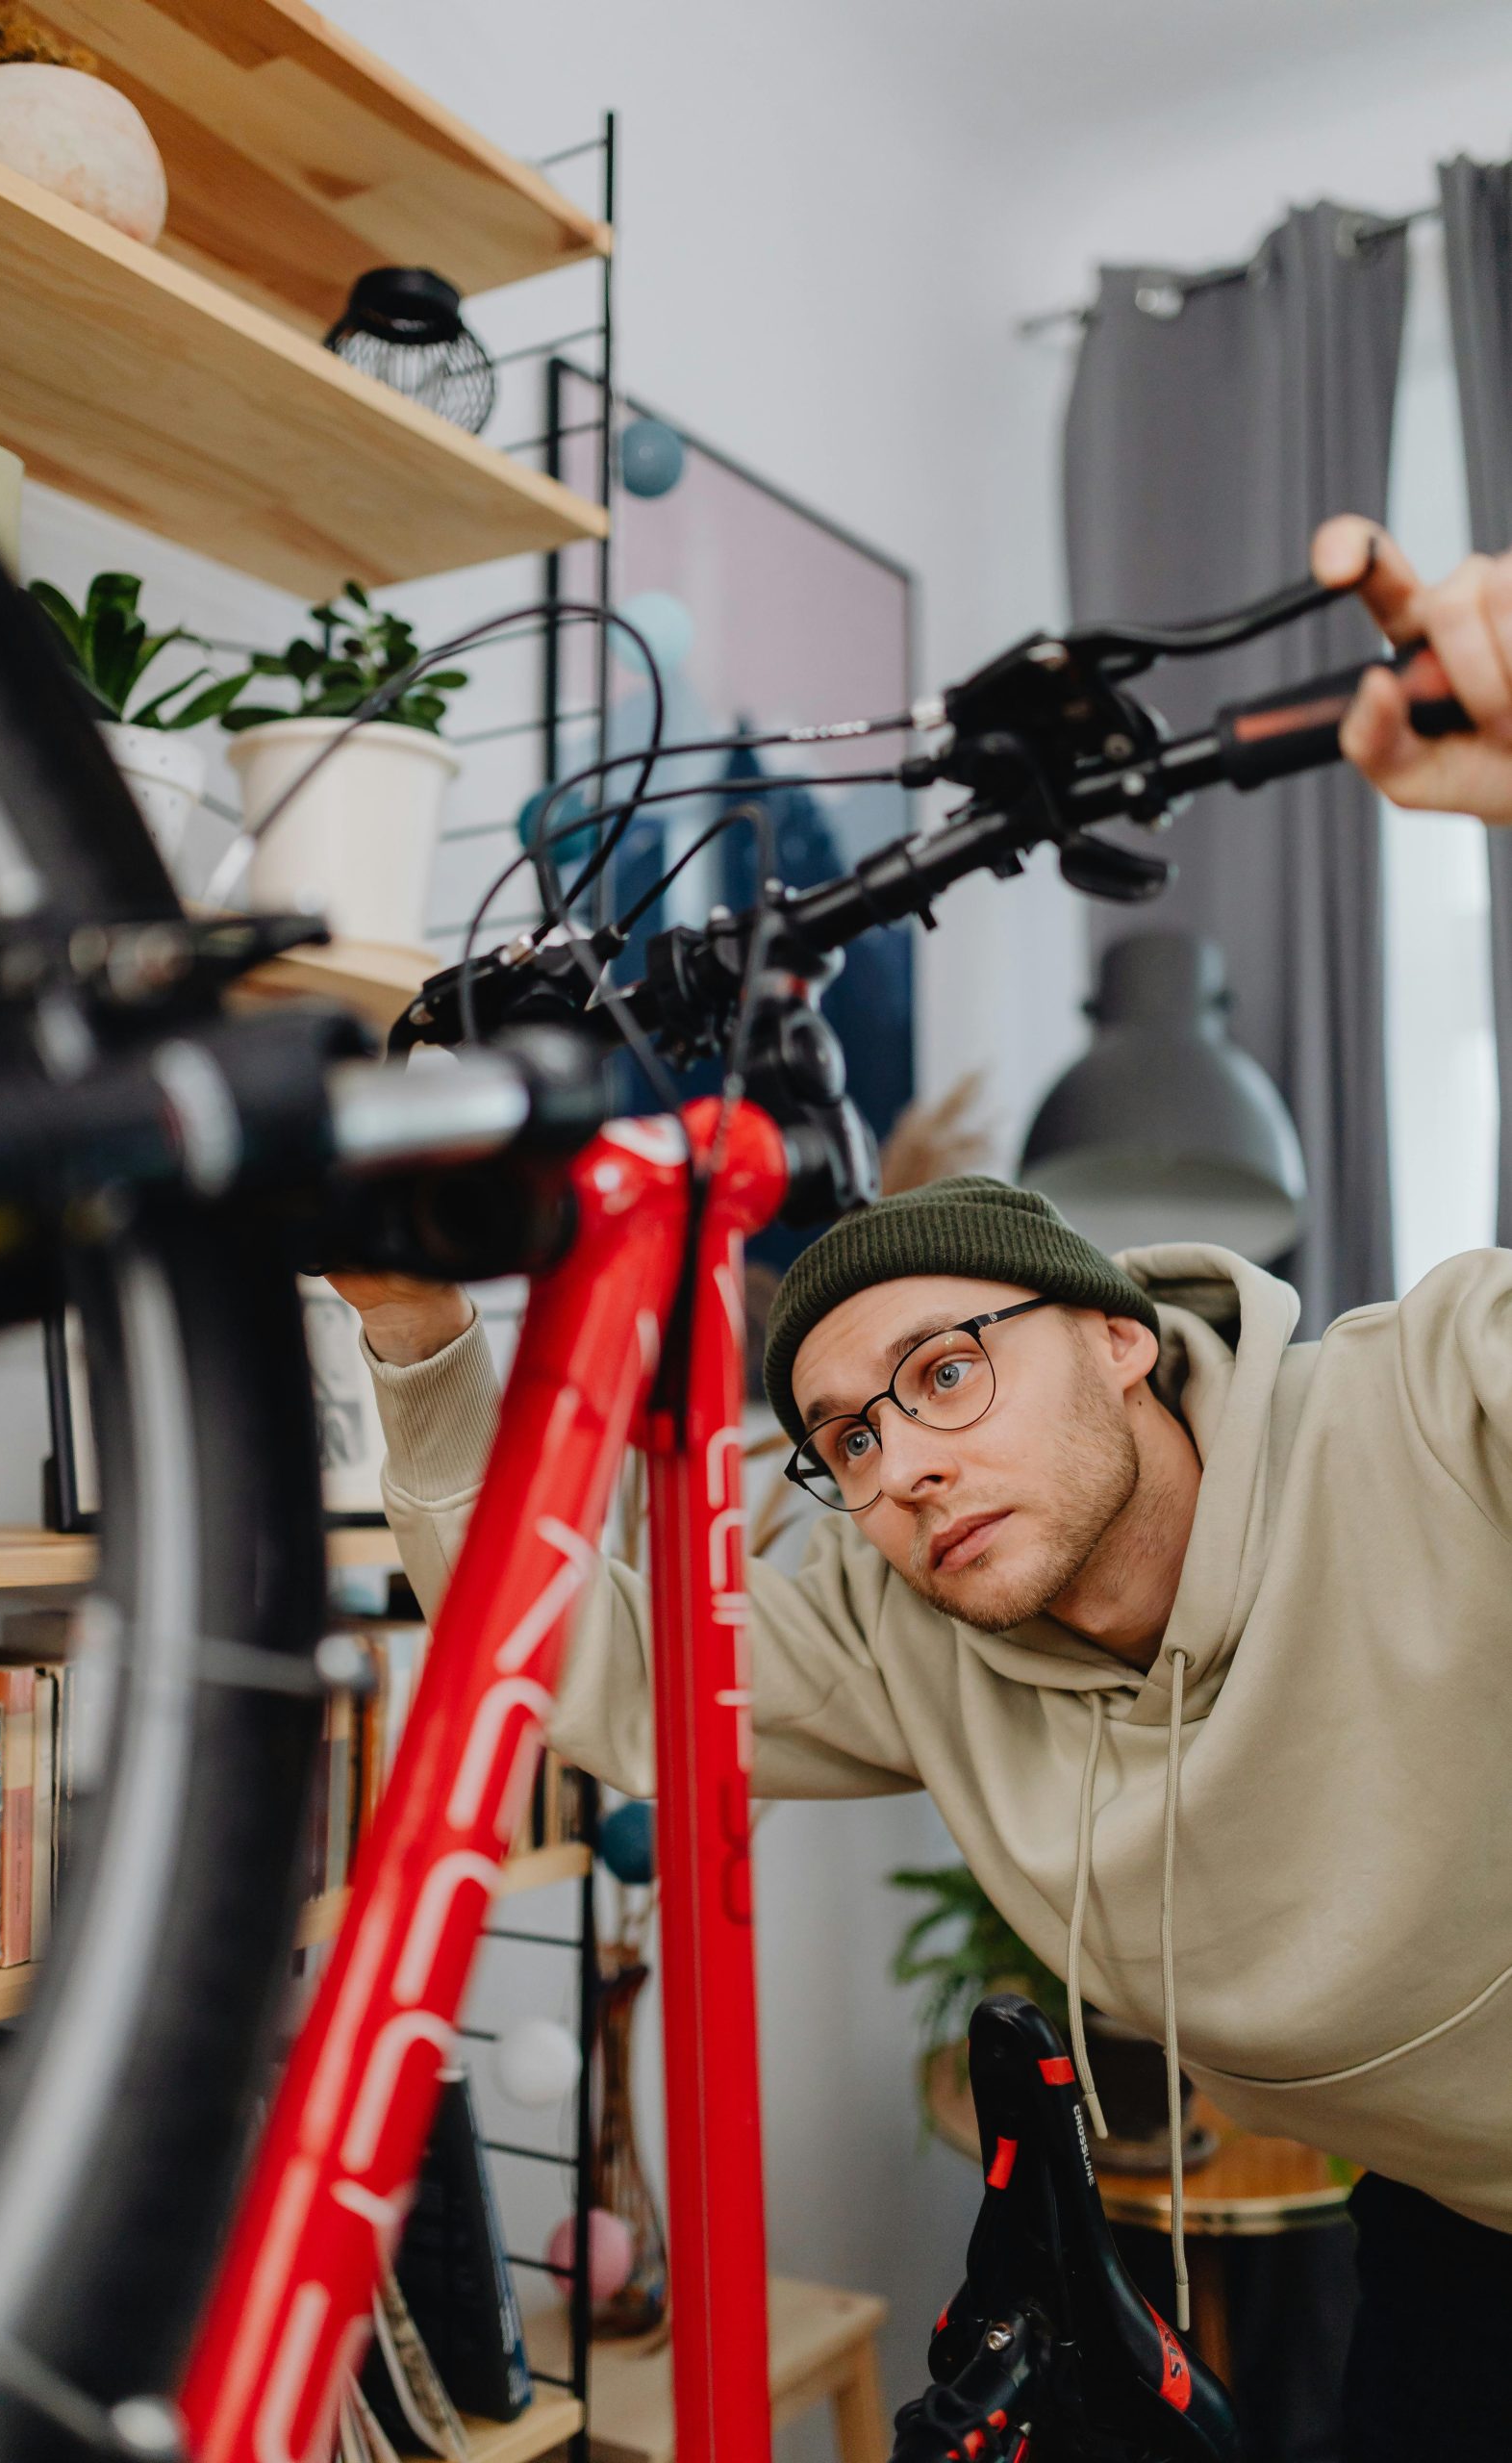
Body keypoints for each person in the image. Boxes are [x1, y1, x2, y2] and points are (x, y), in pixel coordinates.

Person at [332, 520, 1512, 2463]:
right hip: (1457, 2237)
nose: (900, 1463)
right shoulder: (908, 1623)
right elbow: (591, 1663)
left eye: (945, 1370)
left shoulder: (1426, 1408)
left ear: (1119, 1334)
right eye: (849, 1435)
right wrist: (413, 1339)